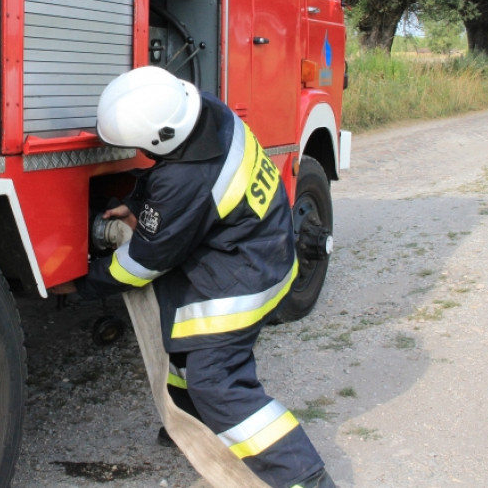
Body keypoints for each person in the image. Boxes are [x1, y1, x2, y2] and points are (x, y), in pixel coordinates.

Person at [57, 66, 335, 488]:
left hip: (248, 274)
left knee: (216, 378)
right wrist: (138, 203)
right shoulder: (206, 113)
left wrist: (81, 283)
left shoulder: (186, 178)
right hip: (264, 246)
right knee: (182, 336)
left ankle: (302, 474)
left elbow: (144, 262)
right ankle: (189, 424)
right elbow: (167, 171)